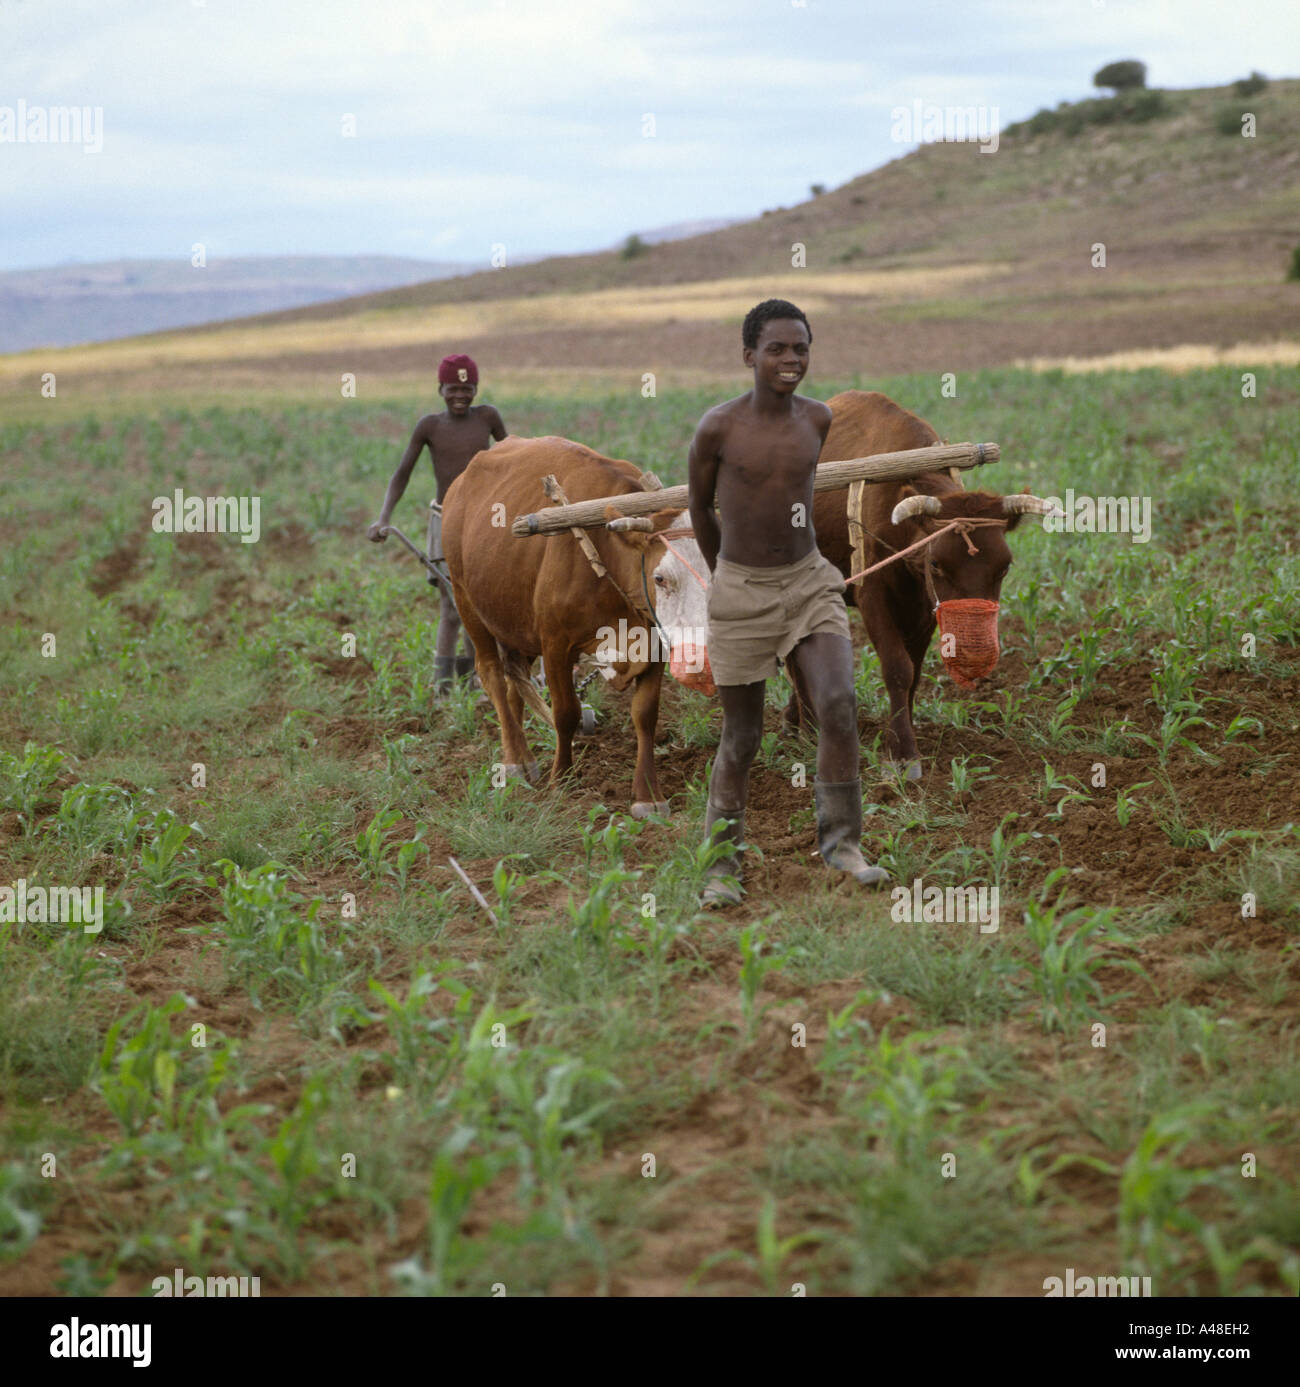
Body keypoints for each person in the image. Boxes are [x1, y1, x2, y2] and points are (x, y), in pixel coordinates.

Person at [687, 299, 888, 906]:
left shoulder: (818, 420)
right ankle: (721, 864)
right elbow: (700, 507)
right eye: (777, 348)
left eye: (800, 347)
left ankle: (843, 844)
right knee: (743, 735)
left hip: (809, 581)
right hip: (741, 589)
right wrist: (730, 572)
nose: (791, 359)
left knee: (839, 703)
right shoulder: (717, 428)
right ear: (750, 355)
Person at [368, 353, 507, 693]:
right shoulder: (429, 426)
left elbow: (511, 459)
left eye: (467, 388)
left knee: (480, 600)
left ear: (476, 388)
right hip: (445, 522)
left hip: (482, 522)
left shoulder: (488, 418)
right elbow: (401, 475)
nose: (460, 395)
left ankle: (480, 676)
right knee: (451, 604)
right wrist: (383, 518)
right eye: (453, 388)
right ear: (440, 389)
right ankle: (443, 683)